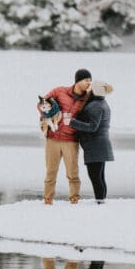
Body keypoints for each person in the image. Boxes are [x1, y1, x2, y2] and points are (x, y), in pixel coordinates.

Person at [38, 69, 92, 205]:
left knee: (73, 173)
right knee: (51, 171)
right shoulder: (59, 91)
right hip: (53, 138)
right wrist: (51, 113)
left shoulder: (87, 99)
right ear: (78, 81)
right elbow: (40, 104)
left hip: (71, 140)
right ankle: (47, 199)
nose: (89, 83)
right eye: (86, 80)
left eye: (90, 80)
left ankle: (74, 199)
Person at [68, 80, 114, 204]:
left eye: (90, 89)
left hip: (96, 146)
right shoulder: (102, 103)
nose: (87, 91)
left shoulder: (96, 106)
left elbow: (93, 127)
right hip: (100, 145)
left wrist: (72, 122)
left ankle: (100, 202)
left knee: (95, 177)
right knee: (100, 176)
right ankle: (101, 201)